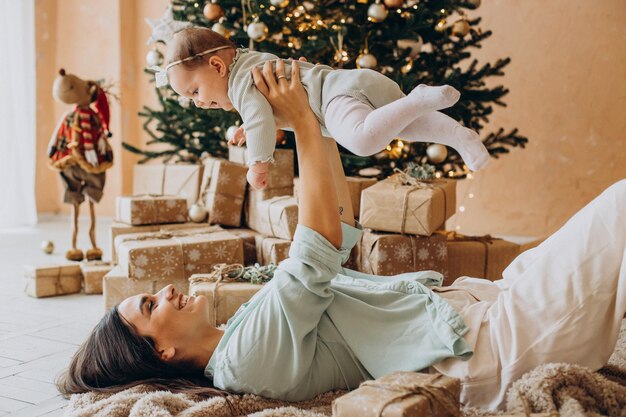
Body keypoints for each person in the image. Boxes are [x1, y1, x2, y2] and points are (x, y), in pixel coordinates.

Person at [57, 60, 626, 412]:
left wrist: (316, 121)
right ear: (163, 351)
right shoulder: (247, 358)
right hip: (496, 347)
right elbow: (319, 242)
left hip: (486, 306)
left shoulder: (241, 334)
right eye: (153, 305)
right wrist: (301, 121)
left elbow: (335, 226)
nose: (171, 291)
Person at [154, 26, 490, 190]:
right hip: (356, 86)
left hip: (336, 98)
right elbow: (261, 115)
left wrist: (258, 164)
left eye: (194, 90)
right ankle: (461, 136)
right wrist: (250, 124)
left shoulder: (243, 82)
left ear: (216, 66)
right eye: (190, 99)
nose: (198, 102)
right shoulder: (248, 66)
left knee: (362, 142)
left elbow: (258, 116)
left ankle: (417, 98)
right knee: (410, 126)